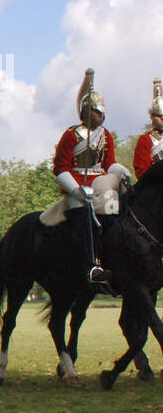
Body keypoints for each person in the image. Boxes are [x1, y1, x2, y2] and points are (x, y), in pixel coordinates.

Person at [53, 68, 132, 284]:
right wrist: (76, 189)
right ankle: (91, 266)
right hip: (77, 186)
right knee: (85, 217)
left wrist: (121, 171)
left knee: (116, 212)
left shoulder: (105, 135)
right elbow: (60, 168)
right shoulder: (71, 135)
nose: (102, 116)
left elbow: (109, 163)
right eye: (98, 112)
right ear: (87, 111)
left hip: (100, 183)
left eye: (103, 113)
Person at [132, 78, 163, 180]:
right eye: (159, 116)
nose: (162, 118)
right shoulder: (145, 139)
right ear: (152, 117)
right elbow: (142, 171)